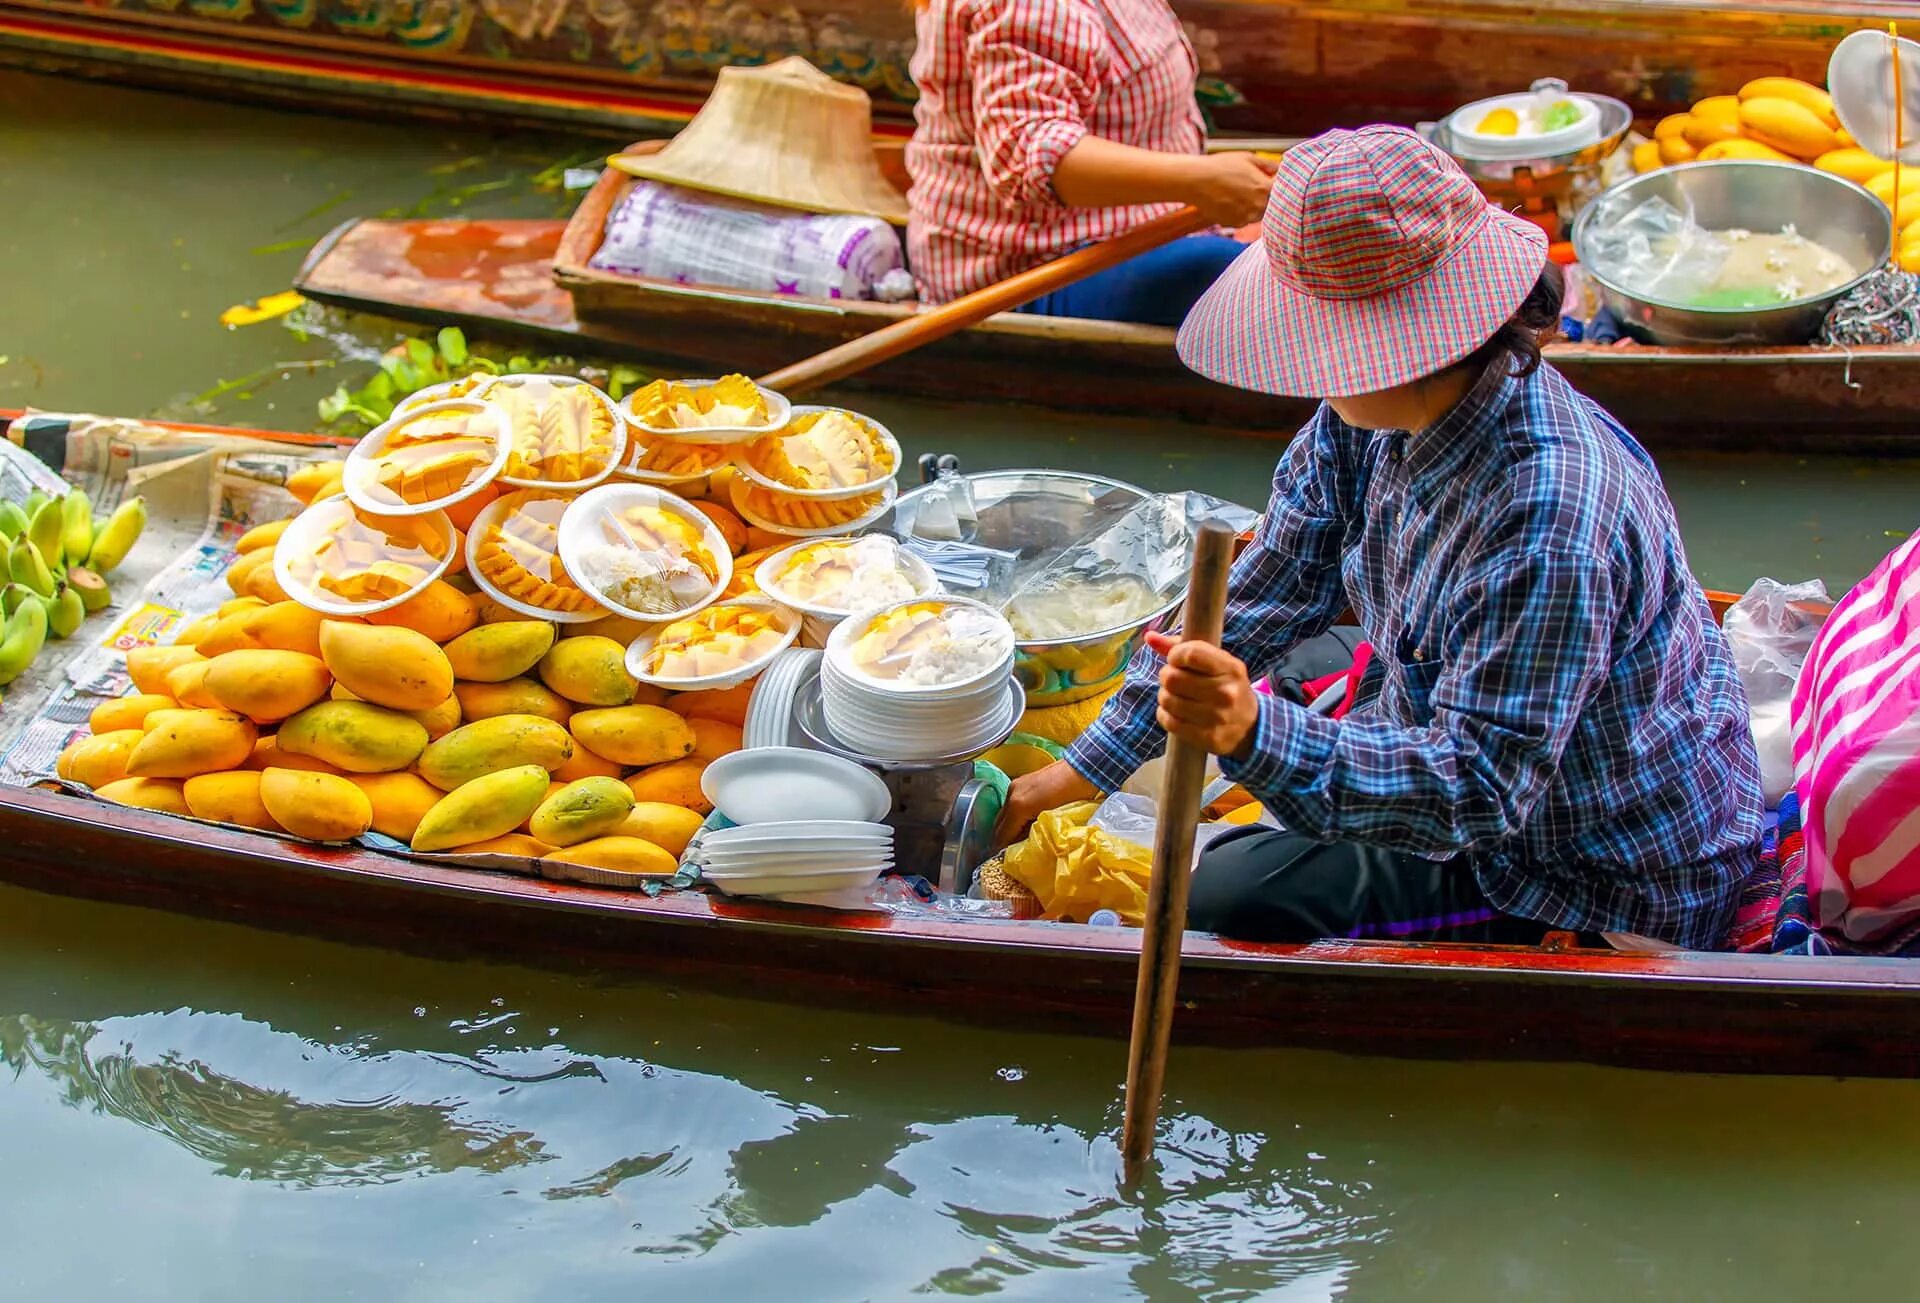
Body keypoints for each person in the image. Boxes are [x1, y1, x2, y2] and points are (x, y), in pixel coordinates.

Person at [996, 126, 1764, 951]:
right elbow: (1270, 587)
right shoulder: (1364, 418)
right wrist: (1076, 771)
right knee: (1279, 657)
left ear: (1396, 346)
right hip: (1470, 747)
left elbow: (1474, 793)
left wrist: (1249, 730)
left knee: (1224, 895)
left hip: (1572, 868)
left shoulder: (1549, 519)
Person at [905, 0, 1276, 325]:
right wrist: (1201, 182)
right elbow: (1030, 154)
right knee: (1238, 275)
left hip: (1136, 234)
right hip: (1031, 274)